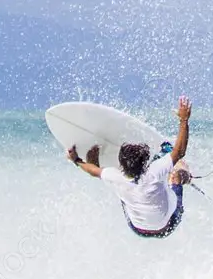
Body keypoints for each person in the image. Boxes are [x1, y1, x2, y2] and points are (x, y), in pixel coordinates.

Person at [67, 95, 193, 239]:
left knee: (117, 184)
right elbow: (180, 151)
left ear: (121, 163)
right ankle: (186, 176)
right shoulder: (154, 172)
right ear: (145, 163)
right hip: (168, 225)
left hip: (137, 228)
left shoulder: (115, 176)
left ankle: (99, 162)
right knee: (177, 173)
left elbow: (93, 171)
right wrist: (184, 120)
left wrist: (76, 160)